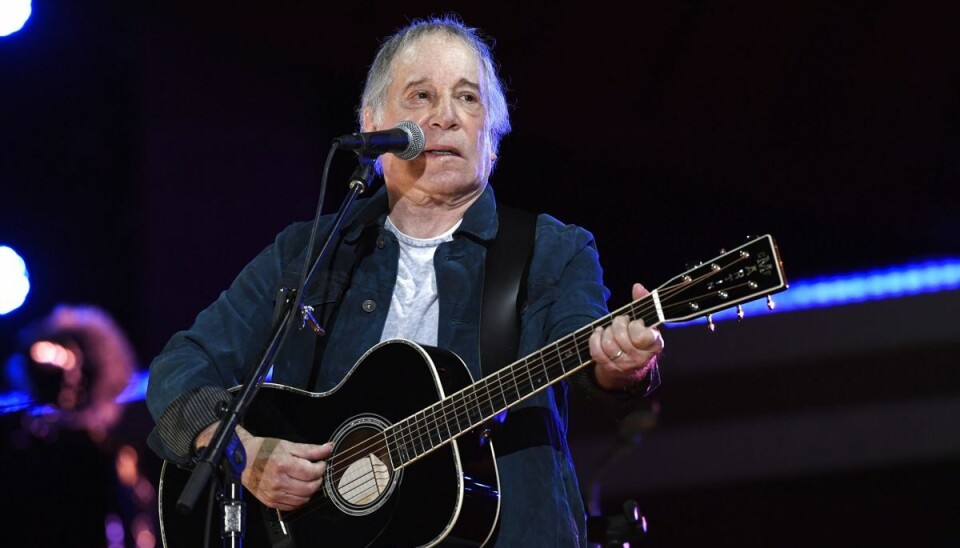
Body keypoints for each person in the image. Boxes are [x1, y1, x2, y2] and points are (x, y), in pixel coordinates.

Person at [146, 15, 663, 547]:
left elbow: (588, 360)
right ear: (372, 124)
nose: (445, 117)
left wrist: (621, 365)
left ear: (493, 134)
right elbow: (180, 368)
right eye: (420, 96)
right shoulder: (307, 252)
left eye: (468, 98)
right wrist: (242, 452)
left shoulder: (553, 250)